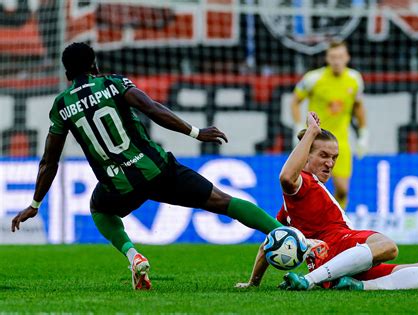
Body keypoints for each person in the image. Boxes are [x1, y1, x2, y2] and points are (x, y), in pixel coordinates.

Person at [11, 42, 282, 290]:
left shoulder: (61, 105)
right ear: (95, 65)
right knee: (222, 201)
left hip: (118, 185)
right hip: (157, 169)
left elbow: (49, 161)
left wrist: (35, 205)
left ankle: (133, 255)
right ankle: (288, 234)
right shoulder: (113, 84)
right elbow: (151, 108)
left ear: (67, 73)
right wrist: (196, 132)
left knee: (99, 209)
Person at [236, 112, 418, 291]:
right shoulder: (302, 184)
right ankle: (309, 281)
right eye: (323, 155)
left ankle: (358, 286)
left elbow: (270, 243)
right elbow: (286, 177)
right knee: (386, 246)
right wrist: (311, 132)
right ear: (306, 156)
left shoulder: (291, 208)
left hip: (349, 262)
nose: (330, 163)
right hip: (338, 247)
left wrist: (253, 283)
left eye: (334, 157)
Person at [290, 41, 368, 209]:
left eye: (340, 57)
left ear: (347, 57)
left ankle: (336, 224)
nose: (336, 61)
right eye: (333, 57)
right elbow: (295, 101)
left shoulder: (354, 79)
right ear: (327, 58)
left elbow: (359, 106)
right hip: (315, 142)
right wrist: (297, 126)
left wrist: (363, 134)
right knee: (308, 187)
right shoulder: (313, 78)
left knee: (342, 189)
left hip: (341, 142)